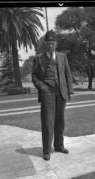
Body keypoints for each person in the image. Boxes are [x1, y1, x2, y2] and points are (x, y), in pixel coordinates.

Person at [31, 30, 74, 161]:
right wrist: (42, 87)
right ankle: (46, 150)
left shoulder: (62, 56)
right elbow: (34, 76)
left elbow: (68, 74)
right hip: (47, 93)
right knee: (48, 122)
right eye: (48, 43)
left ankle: (59, 146)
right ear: (45, 44)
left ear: (56, 44)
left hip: (61, 92)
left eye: (53, 43)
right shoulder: (39, 58)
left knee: (60, 121)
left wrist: (70, 90)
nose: (50, 45)